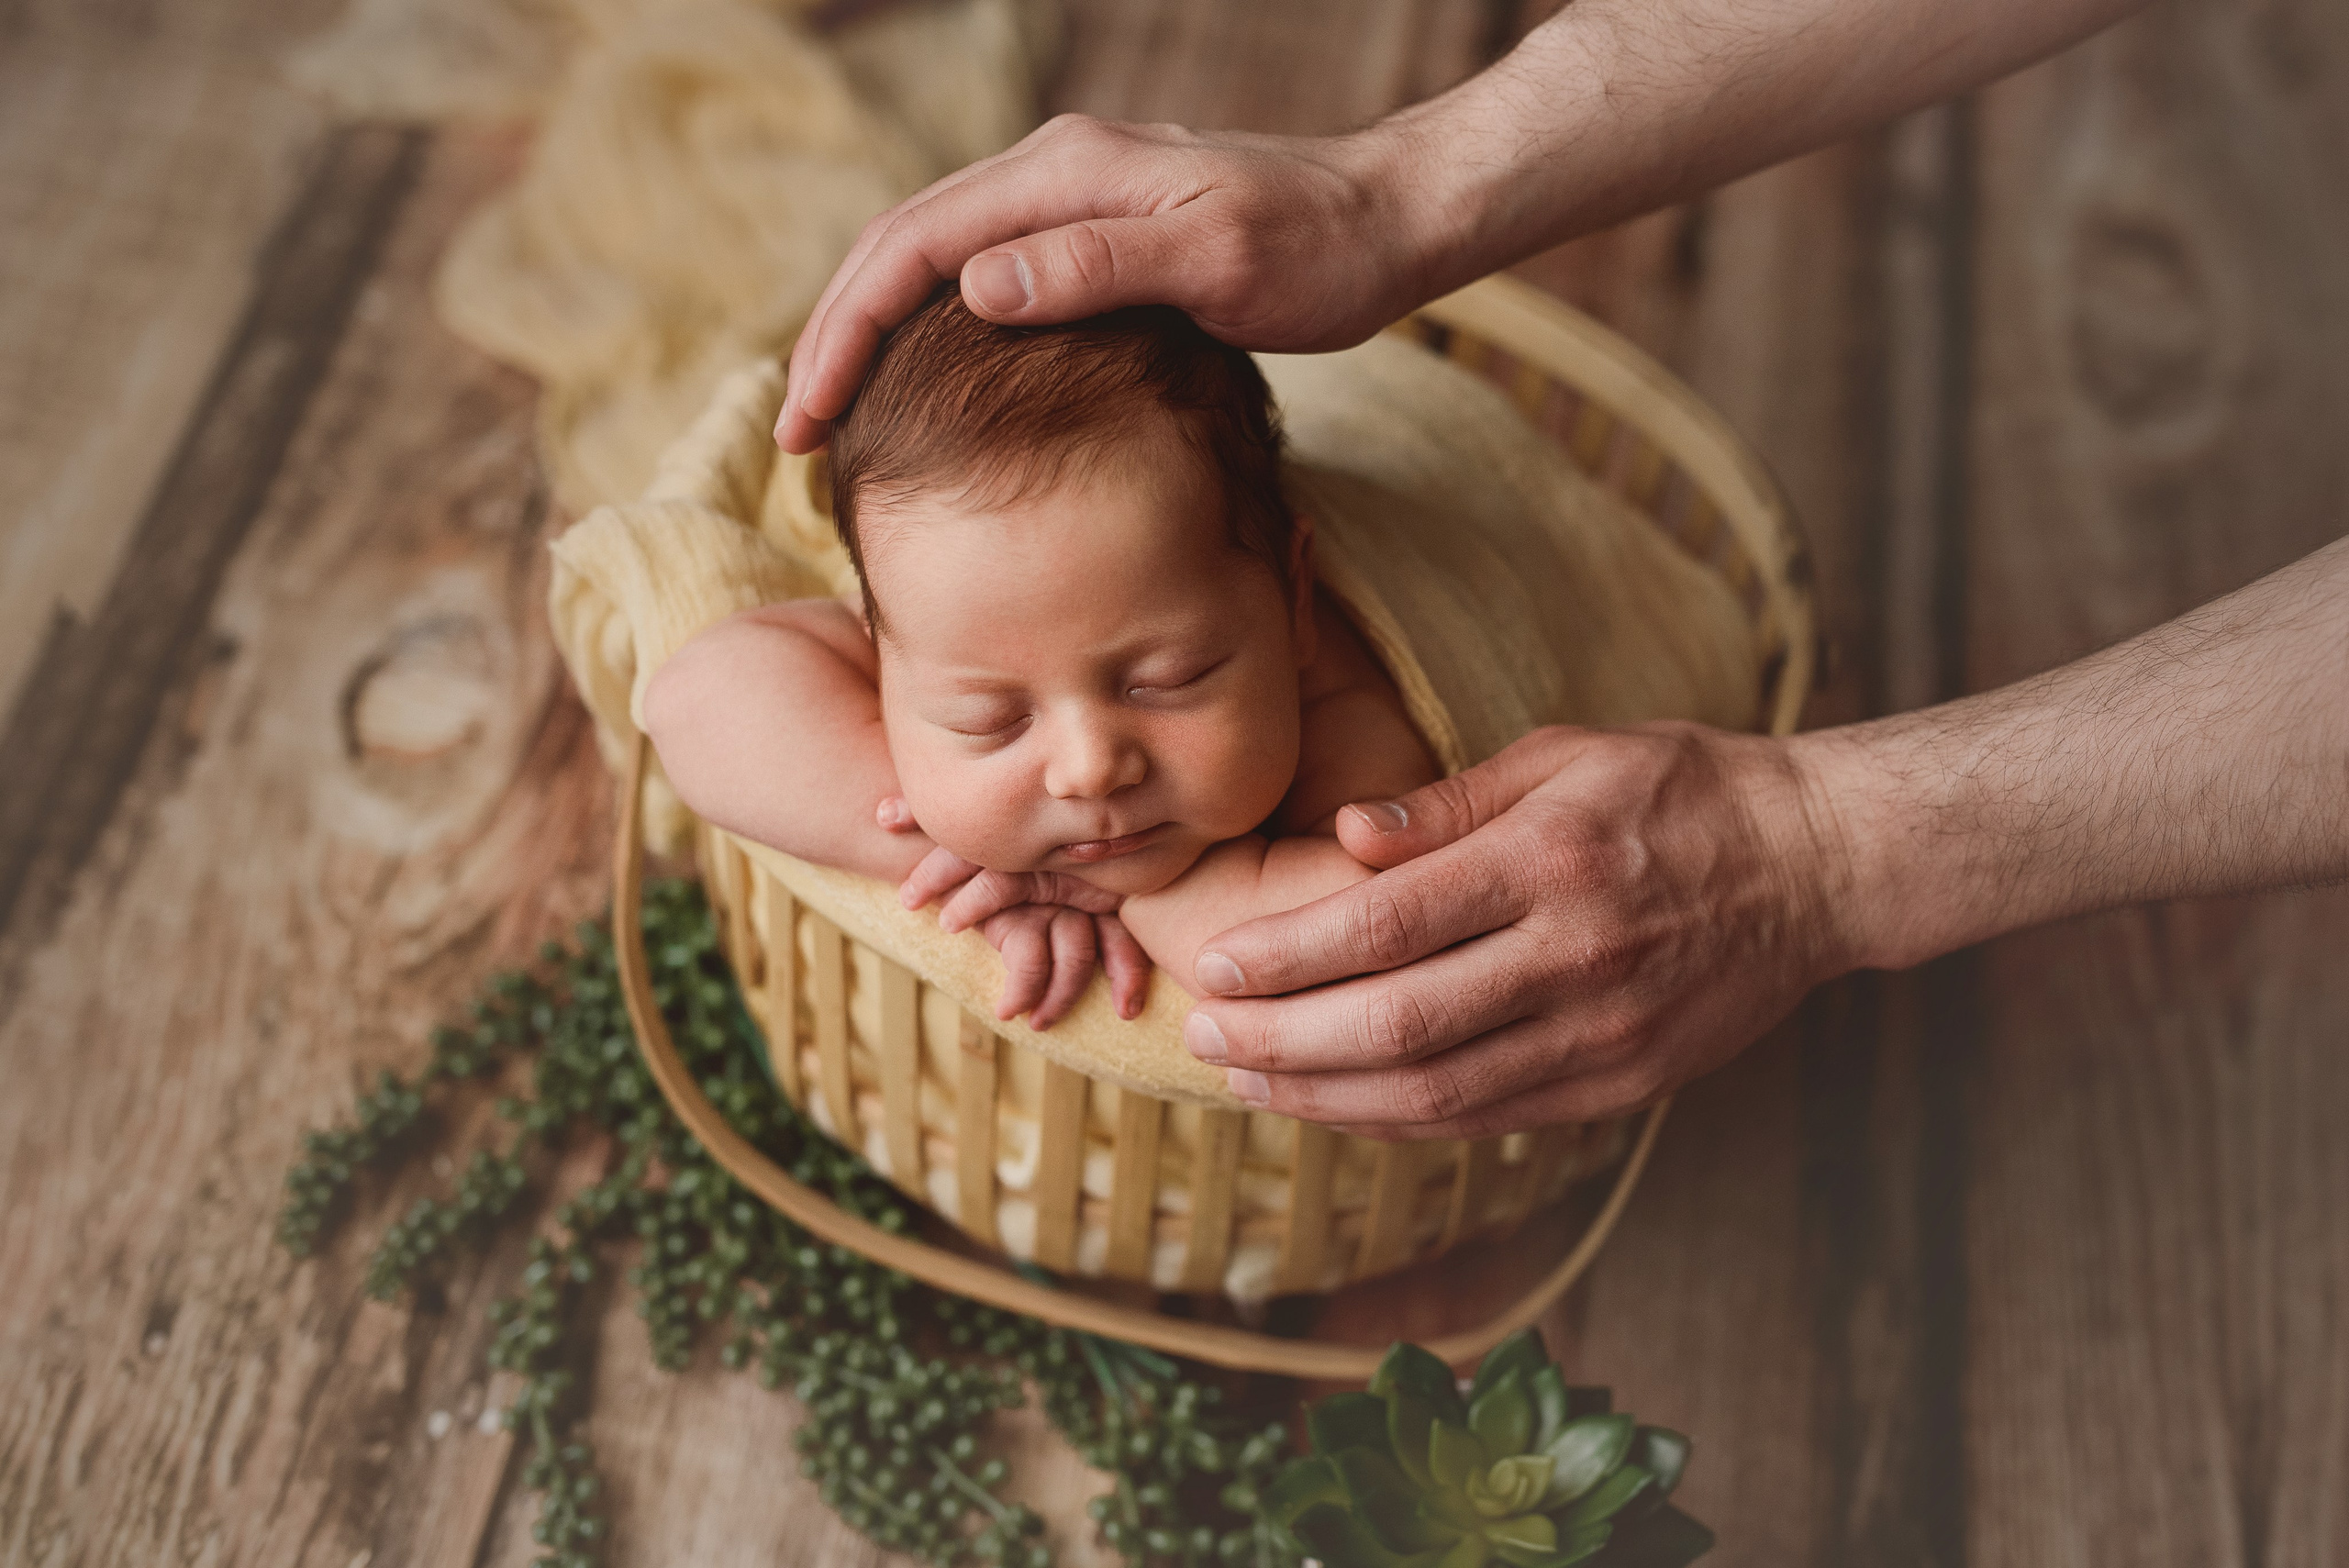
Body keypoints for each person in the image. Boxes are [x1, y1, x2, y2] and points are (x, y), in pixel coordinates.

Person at [766, 0, 2349, 1139]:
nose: (1095, 760)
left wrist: (1142, 880)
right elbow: (700, 683)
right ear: (886, 649)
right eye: (985, 712)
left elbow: (1298, 951)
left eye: (1173, 675)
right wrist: (910, 822)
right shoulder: (924, 680)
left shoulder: (1347, 743)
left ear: (1298, 601)